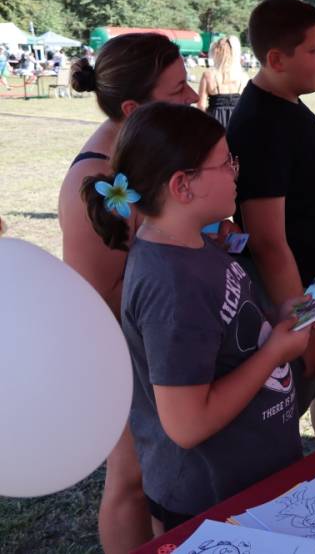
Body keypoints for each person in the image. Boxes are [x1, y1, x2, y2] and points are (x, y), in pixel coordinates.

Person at [82, 102, 315, 532]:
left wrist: (278, 318)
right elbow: (187, 425)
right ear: (182, 186)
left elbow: (225, 333)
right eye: (226, 163)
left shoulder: (196, 243)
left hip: (251, 478)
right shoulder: (170, 284)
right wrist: (275, 353)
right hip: (210, 502)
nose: (236, 172)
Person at [57, 32, 199, 553]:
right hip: (120, 354)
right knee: (132, 476)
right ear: (134, 109)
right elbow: (98, 298)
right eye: (178, 90)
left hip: (151, 346)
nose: (193, 97)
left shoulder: (139, 155)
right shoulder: (97, 183)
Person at [226, 0, 315, 446]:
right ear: (277, 59)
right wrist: (302, 324)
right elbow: (267, 240)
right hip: (293, 295)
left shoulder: (288, 105)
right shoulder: (260, 124)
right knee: (293, 395)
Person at [198, 35, 249, 128]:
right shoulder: (244, 77)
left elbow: (201, 106)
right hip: (237, 120)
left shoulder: (208, 75)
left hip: (214, 121)